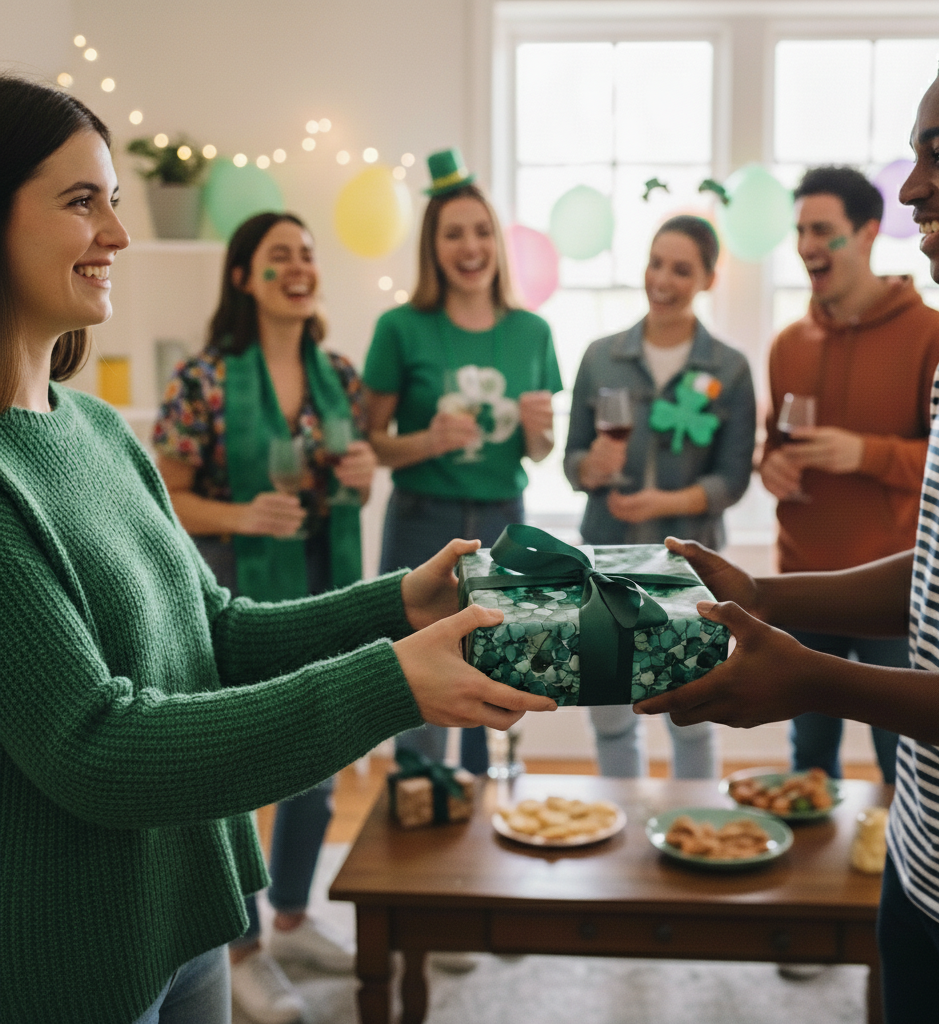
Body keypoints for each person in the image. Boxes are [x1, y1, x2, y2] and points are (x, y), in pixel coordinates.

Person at [0, 76, 556, 1024]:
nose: (119, 236)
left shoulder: (97, 432)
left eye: (117, 203)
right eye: (80, 201)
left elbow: (211, 628)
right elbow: (94, 748)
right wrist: (392, 681)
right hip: (73, 966)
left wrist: (398, 606)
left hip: (185, 917)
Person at [637, 20, 939, 1022]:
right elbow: (938, 566)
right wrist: (761, 592)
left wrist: (816, 674)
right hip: (925, 863)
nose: (909, 191)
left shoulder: (931, 340)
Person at [153, 212, 377, 1024]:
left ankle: (291, 915)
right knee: (244, 762)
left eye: (309, 253)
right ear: (244, 276)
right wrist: (241, 516)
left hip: (324, 579)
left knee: (323, 749)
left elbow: (355, 491)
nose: (299, 265)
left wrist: (360, 478)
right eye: (280, 254)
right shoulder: (203, 379)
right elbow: (167, 497)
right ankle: (240, 948)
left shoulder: (340, 375)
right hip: (231, 585)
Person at [363, 148, 562, 777]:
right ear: (434, 246)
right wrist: (427, 440)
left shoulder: (533, 332)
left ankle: (486, 825)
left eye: (481, 231)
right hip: (424, 522)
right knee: (417, 681)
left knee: (499, 673)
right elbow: (372, 440)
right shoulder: (400, 328)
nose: (470, 246)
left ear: (497, 244)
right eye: (454, 233)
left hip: (505, 521)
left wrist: (539, 436)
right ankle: (422, 809)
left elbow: (539, 451)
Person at [761, 166, 939, 786]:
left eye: (824, 230)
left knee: (902, 761)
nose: (807, 245)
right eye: (799, 231)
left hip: (891, 592)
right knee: (808, 759)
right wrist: (773, 470)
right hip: (804, 585)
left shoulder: (936, 336)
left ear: (869, 233)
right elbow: (773, 450)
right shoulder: (787, 343)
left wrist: (866, 455)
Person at [564, 215, 755, 779]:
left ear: (707, 279)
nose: (663, 279)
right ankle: (621, 842)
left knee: (692, 717)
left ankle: (691, 836)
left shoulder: (729, 368)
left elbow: (733, 480)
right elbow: (571, 462)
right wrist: (590, 467)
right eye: (655, 263)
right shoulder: (601, 356)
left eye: (681, 268)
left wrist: (663, 504)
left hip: (689, 569)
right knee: (610, 717)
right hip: (605, 563)